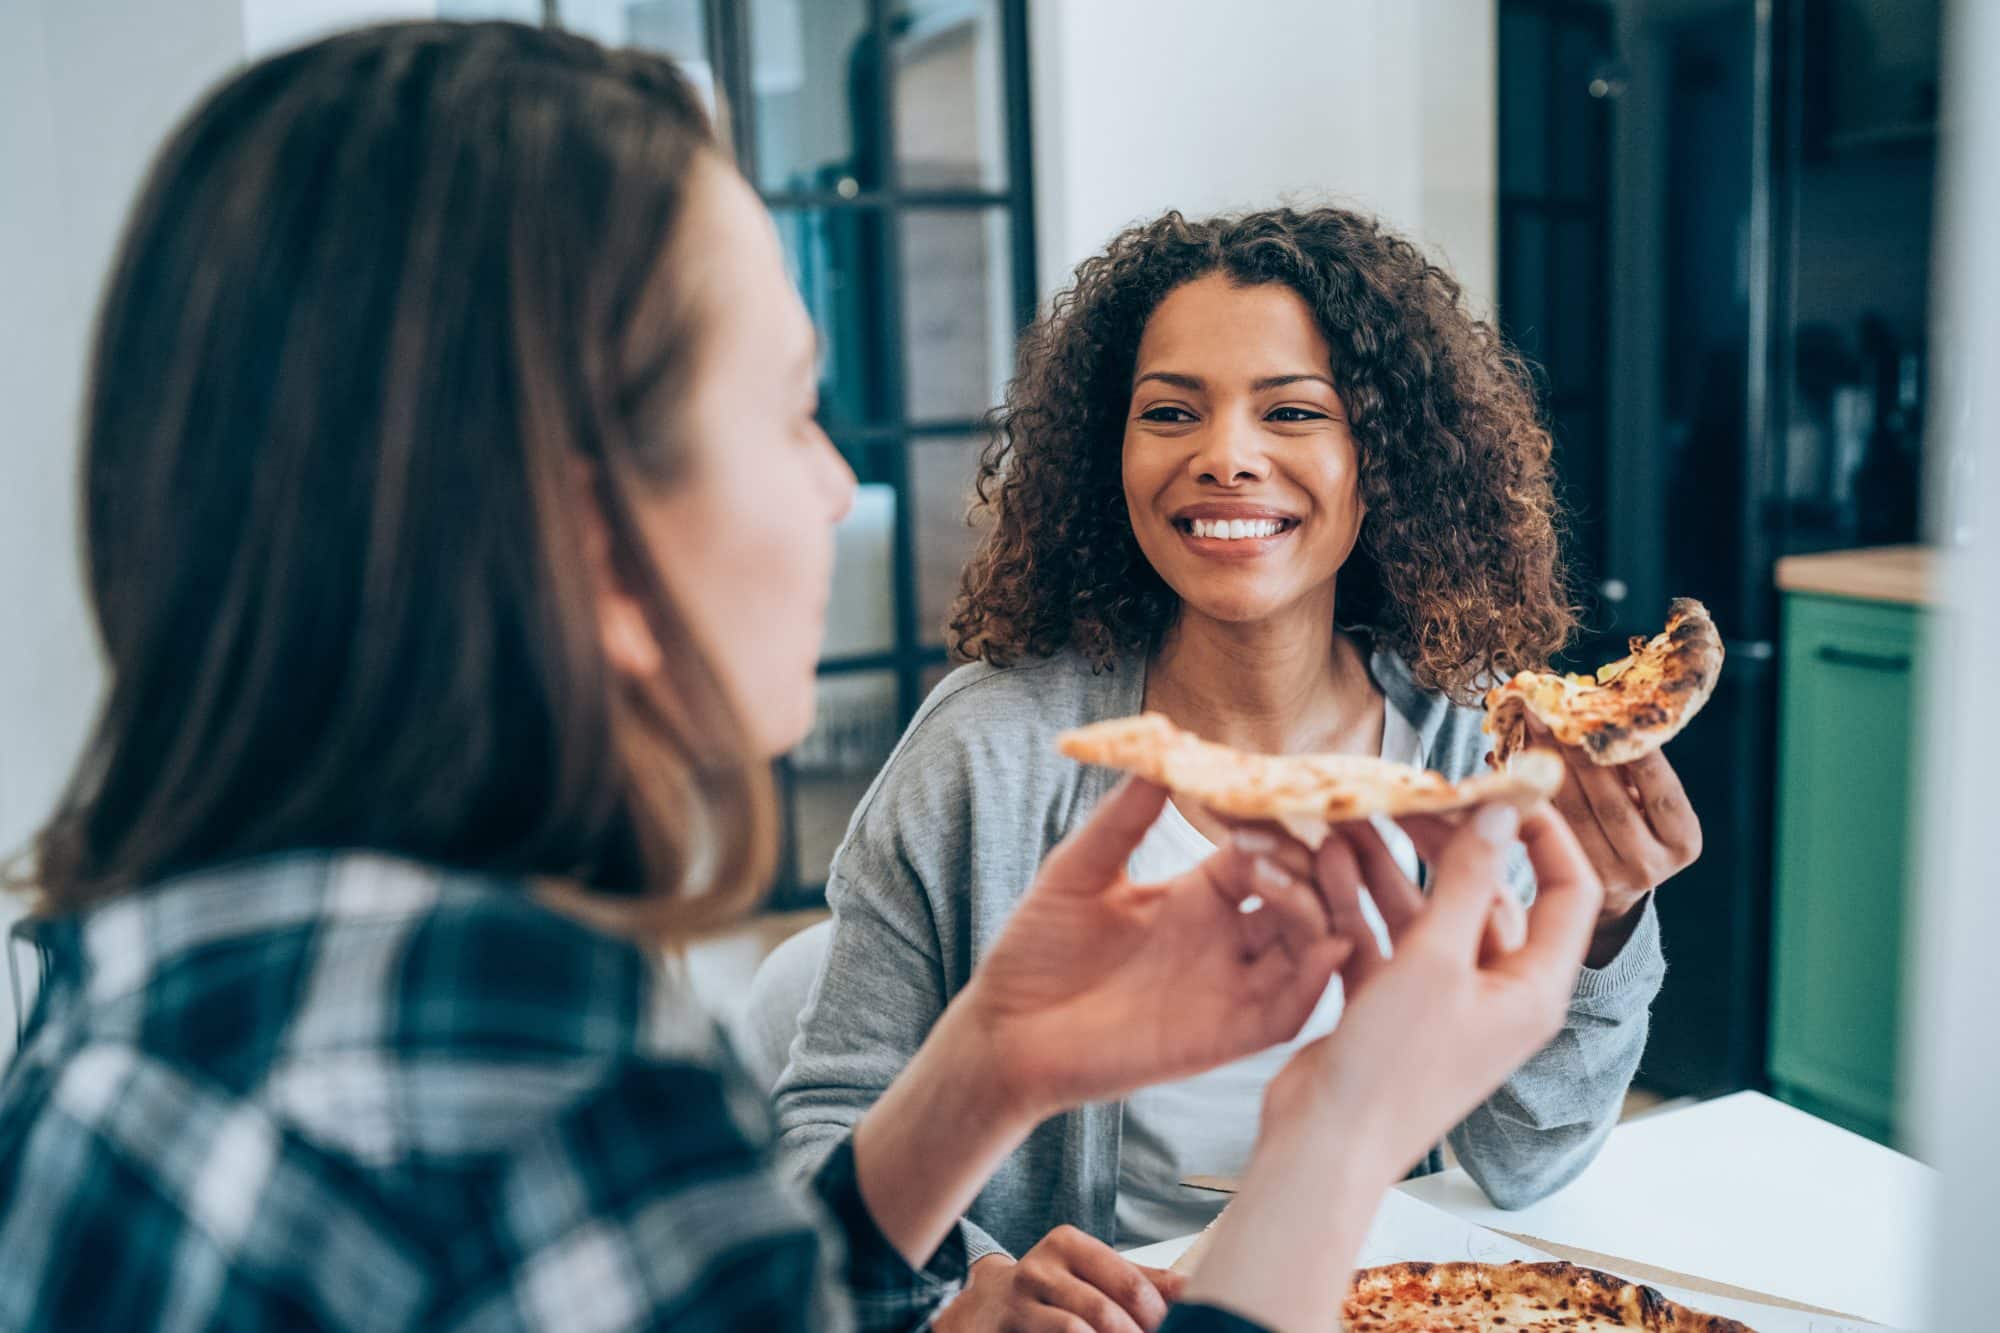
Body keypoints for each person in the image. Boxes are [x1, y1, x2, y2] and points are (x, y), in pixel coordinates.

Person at [0, 21, 1606, 1333]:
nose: (838, 487)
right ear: (576, 521)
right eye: (787, 410)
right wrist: (1333, 1130)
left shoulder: (152, 975)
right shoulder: (514, 1079)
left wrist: (989, 1062)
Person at [773, 209, 1698, 1328]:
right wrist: (970, 1282)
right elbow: (819, 1143)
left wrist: (1599, 920)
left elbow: (1522, 1163)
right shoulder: (988, 750)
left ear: (1381, 460)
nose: (1223, 454)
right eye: (1169, 411)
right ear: (1105, 456)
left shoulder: (1473, 746)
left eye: (1292, 411)